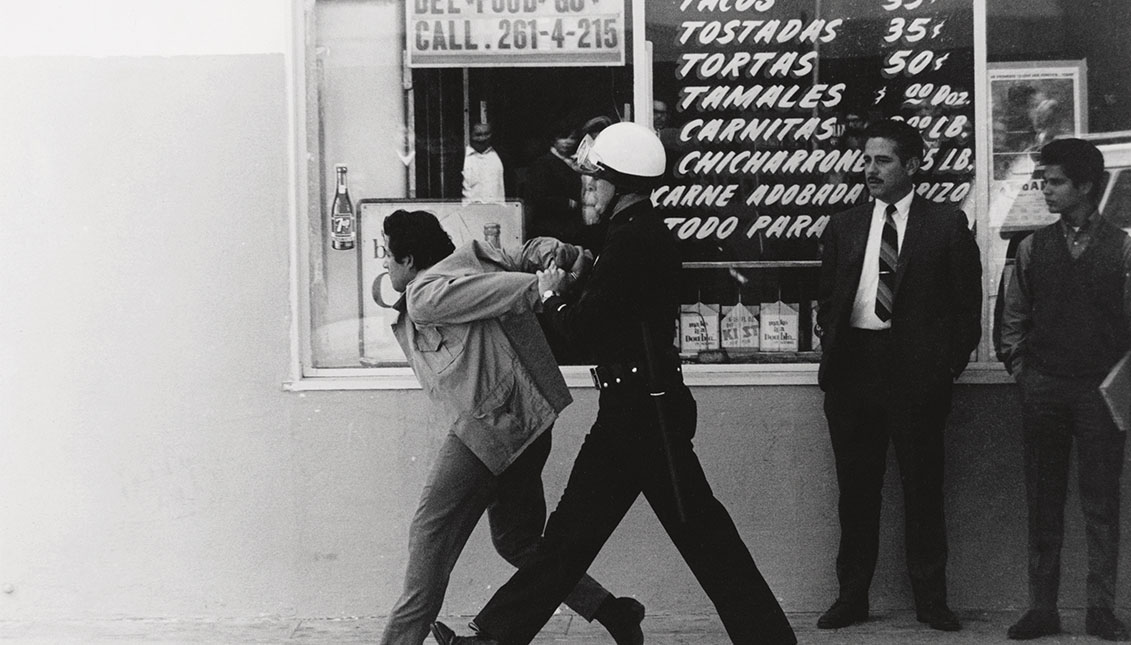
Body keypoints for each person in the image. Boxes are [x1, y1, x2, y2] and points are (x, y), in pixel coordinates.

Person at [430, 122, 797, 645]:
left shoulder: (634, 240)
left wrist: (554, 295)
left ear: (620, 183)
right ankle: (493, 638)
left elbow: (585, 328)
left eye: (595, 180)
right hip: (638, 408)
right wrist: (581, 268)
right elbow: (616, 300)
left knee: (695, 539)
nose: (588, 189)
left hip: (643, 414)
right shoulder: (633, 235)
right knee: (574, 540)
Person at [377, 209, 645, 645]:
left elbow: (499, 290)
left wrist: (544, 286)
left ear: (409, 260)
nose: (385, 264)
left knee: (430, 534)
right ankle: (615, 612)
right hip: (531, 426)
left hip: (487, 430)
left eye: (388, 255)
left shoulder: (425, 294)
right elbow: (523, 254)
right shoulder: (474, 257)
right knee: (517, 541)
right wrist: (562, 254)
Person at [815, 119, 982, 632]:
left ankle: (931, 601)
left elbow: (966, 310)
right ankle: (852, 598)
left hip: (916, 376)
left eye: (882, 160)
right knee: (856, 492)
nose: (870, 170)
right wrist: (835, 353)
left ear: (912, 165)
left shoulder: (946, 223)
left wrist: (942, 369)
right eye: (866, 159)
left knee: (923, 489)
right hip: (854, 371)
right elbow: (829, 300)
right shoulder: (844, 225)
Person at [999, 138, 1131, 642]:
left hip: (1100, 395)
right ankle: (1042, 608)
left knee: (1101, 504)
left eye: (1054, 182)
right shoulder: (1033, 247)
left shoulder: (1122, 246)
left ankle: (1100, 609)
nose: (1046, 190)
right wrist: (1023, 375)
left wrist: (1119, 386)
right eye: (1044, 181)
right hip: (1046, 391)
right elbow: (1013, 320)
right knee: (1043, 501)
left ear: (1085, 186)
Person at [462, 123, 506, 202]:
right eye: (478, 135)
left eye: (486, 134)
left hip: (498, 211)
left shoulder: (502, 157)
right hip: (468, 212)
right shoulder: (461, 158)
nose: (482, 138)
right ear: (470, 136)